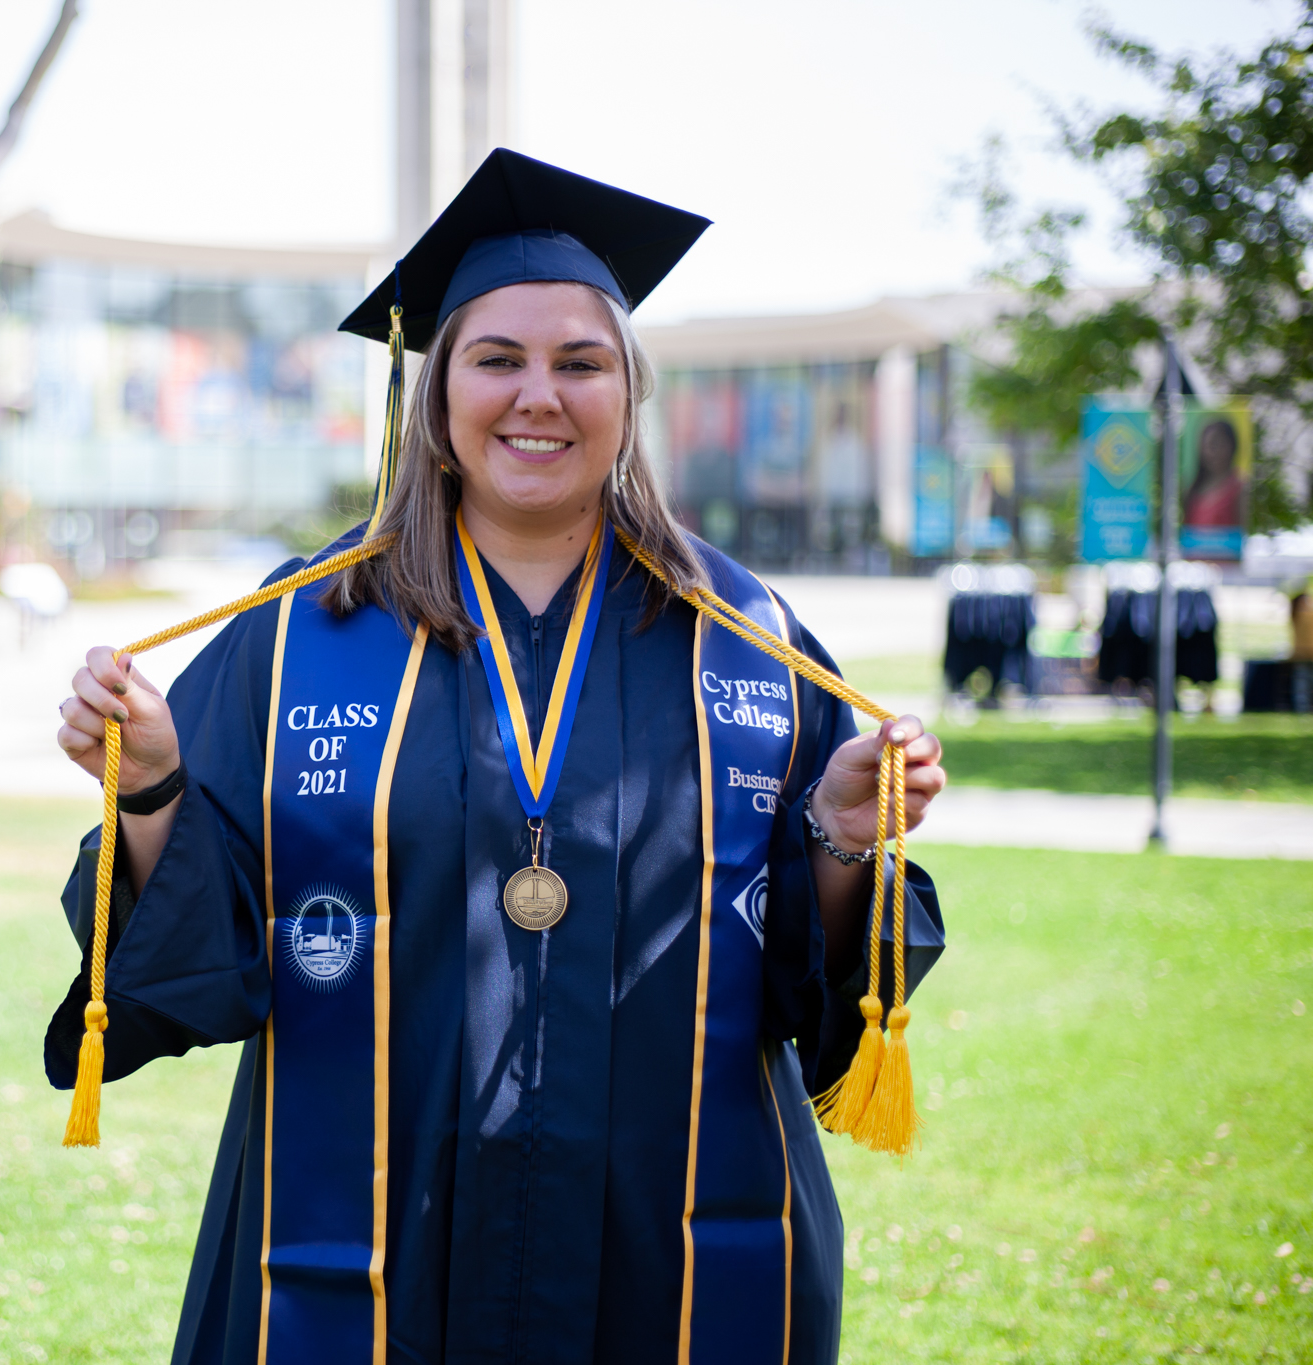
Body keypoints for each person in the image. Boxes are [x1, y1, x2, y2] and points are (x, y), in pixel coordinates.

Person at [47, 150, 948, 1365]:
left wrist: (842, 836)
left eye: (580, 363)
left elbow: (809, 978)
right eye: (496, 359)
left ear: (627, 396)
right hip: (368, 1235)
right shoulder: (304, 626)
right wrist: (150, 777)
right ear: (436, 394)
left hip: (666, 1245)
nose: (539, 396)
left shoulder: (748, 639)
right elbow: (207, 928)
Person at [1183, 418, 1244, 529]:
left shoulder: (1239, 488)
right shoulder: (1193, 488)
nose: (1214, 452)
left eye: (1219, 444)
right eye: (1209, 446)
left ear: (1232, 446)